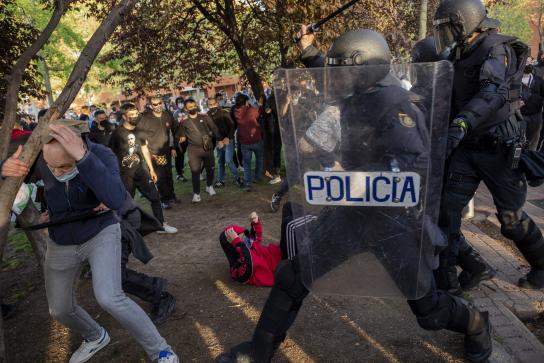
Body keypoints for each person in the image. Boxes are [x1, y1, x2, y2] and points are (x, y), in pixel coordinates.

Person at [216, 26, 492, 363]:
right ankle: (258, 352)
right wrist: (310, 52)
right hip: (353, 213)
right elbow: (334, 79)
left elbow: (411, 171)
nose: (338, 78)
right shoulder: (363, 90)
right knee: (293, 276)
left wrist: (356, 178)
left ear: (364, 69)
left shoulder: (397, 105)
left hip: (394, 222)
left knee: (429, 311)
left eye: (345, 71)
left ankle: (478, 324)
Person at [29, 120, 178, 363]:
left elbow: (116, 199)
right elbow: (15, 170)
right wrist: (8, 168)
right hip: (61, 239)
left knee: (110, 297)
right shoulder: (42, 154)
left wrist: (84, 160)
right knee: (59, 309)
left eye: (65, 166)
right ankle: (95, 335)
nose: (56, 174)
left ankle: (161, 350)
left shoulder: (100, 155)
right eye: (50, 167)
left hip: (100, 231)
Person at [433, 0, 544, 290]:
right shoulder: (458, 52)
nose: (445, 36)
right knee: (446, 211)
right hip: (467, 146)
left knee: (511, 220)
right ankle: (452, 281)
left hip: (499, 147)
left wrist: (462, 121)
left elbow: (491, 93)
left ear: (466, 23)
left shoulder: (496, 49)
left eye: (449, 28)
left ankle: (542, 265)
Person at [109, 103, 177, 234]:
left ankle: (161, 225)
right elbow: (110, 154)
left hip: (141, 171)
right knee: (125, 203)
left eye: (136, 114)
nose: (135, 116)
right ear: (124, 116)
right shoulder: (117, 133)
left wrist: (151, 169)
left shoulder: (139, 130)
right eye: (131, 115)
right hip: (124, 174)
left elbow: (144, 149)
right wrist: (114, 174)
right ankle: (124, 230)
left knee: (155, 197)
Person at [176, 98, 221, 203]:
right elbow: (181, 135)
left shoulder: (205, 117)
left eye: (194, 106)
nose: (192, 108)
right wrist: (180, 139)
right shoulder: (184, 122)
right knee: (195, 172)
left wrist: (220, 139)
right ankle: (196, 194)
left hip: (207, 148)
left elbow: (214, 128)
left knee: (210, 169)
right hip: (193, 151)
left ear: (196, 105)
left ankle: (209, 186)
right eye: (190, 107)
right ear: (186, 109)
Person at [219, 212, 281, 287]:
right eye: (240, 239)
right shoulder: (236, 270)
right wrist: (238, 243)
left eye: (244, 236)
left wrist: (255, 223)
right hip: (277, 270)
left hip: (276, 256)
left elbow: (255, 238)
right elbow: (249, 265)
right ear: (233, 246)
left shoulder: (247, 244)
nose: (245, 239)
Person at [138, 96, 178, 209]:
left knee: (169, 174)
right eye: (155, 104)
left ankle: (171, 196)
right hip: (154, 152)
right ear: (151, 106)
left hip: (167, 150)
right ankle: (164, 200)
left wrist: (174, 147)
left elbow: (175, 129)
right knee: (161, 177)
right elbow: (141, 135)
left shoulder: (167, 115)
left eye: (159, 103)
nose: (158, 106)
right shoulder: (146, 118)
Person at [207, 97, 240, 187]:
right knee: (220, 161)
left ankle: (237, 178)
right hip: (218, 141)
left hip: (228, 140)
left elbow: (232, 126)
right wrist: (219, 140)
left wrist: (227, 138)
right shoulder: (207, 115)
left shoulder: (224, 112)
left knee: (228, 160)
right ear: (207, 105)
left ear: (217, 103)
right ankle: (220, 180)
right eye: (210, 104)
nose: (212, 106)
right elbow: (210, 130)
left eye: (213, 104)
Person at [235, 94, 263, 192]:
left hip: (244, 141)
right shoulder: (251, 110)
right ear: (246, 101)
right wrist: (258, 105)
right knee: (259, 159)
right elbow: (258, 114)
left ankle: (248, 183)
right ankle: (258, 176)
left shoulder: (236, 112)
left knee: (247, 163)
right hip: (256, 138)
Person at [521, 64, 544, 150]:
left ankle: (529, 158)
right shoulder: (515, 79)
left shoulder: (539, 80)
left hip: (535, 117)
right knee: (520, 141)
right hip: (520, 116)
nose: (528, 63)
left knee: (531, 142)